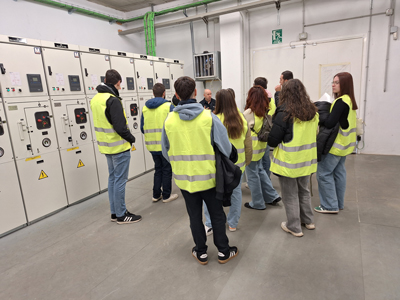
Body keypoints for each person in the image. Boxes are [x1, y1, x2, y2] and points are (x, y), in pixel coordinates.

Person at [162, 76, 238, 265]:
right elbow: (226, 148)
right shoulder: (208, 117)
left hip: (185, 180)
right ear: (196, 93)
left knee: (194, 216)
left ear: (177, 95)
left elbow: (165, 152)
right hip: (209, 179)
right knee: (217, 214)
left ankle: (201, 252)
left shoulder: (169, 121)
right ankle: (223, 252)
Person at [268, 79, 319, 237]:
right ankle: (308, 221)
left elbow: (273, 140)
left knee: (290, 194)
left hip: (289, 162)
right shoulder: (312, 112)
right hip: (307, 161)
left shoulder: (284, 113)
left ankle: (294, 226)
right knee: (304, 191)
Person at [90, 69, 142, 224]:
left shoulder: (96, 99)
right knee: (120, 181)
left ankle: (114, 212)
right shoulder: (112, 100)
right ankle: (121, 215)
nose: (120, 87)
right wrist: (131, 138)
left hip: (106, 147)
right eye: (120, 84)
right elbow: (120, 127)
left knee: (113, 179)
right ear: (118, 82)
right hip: (119, 148)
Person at [203, 89, 252, 234]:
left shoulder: (212, 119)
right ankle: (232, 224)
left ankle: (210, 223)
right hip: (238, 165)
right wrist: (247, 161)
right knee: (236, 193)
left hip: (217, 166)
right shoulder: (242, 118)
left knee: (212, 194)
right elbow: (248, 144)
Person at [315, 72, 358, 213]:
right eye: (333, 82)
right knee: (339, 173)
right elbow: (344, 122)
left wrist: (320, 113)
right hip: (346, 145)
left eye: (337, 82)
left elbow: (329, 122)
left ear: (345, 84)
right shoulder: (350, 101)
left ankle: (329, 206)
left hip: (335, 145)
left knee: (323, 173)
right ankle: (338, 203)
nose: (333, 85)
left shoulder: (340, 102)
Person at [243, 86, 281, 210]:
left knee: (252, 176)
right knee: (260, 171)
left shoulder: (248, 113)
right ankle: (271, 196)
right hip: (262, 148)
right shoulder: (265, 112)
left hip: (251, 150)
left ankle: (258, 202)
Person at [141, 83, 179, 203]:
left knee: (158, 169)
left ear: (153, 93)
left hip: (151, 145)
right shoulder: (169, 106)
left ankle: (156, 194)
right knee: (167, 169)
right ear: (164, 93)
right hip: (165, 145)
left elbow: (142, 127)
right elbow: (175, 125)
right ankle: (167, 195)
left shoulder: (145, 108)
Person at [253, 77, 277, 177]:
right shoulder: (270, 97)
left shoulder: (263, 98)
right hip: (267, 130)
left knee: (263, 158)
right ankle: (266, 178)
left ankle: (265, 179)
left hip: (261, 130)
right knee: (265, 156)